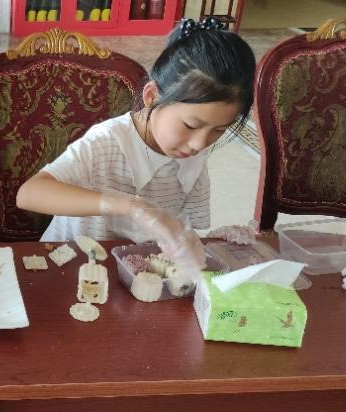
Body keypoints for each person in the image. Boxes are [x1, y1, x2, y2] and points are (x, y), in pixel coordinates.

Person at [16, 17, 256, 274]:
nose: (200, 143)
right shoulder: (106, 143)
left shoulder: (192, 153)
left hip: (133, 275)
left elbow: (179, 232)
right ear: (152, 97)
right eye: (190, 125)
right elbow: (29, 194)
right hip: (70, 267)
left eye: (219, 130)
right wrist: (130, 206)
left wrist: (211, 243)